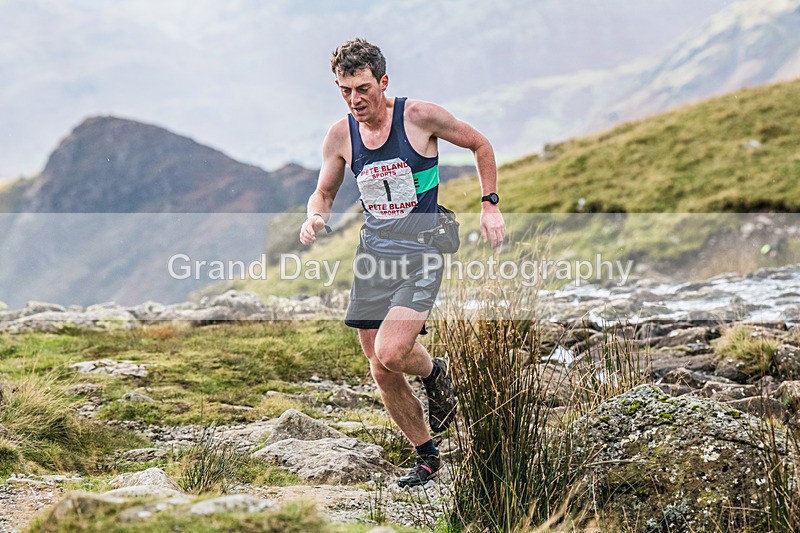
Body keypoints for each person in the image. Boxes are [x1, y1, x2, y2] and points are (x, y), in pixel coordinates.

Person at [299, 38, 505, 487]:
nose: (355, 100)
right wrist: (316, 215)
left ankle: (435, 371)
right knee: (378, 366)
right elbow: (326, 192)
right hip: (374, 256)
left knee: (392, 353)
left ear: (383, 82)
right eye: (344, 90)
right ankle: (426, 455)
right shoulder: (340, 136)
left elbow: (480, 144)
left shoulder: (418, 117)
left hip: (422, 253)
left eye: (363, 88)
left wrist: (490, 205)